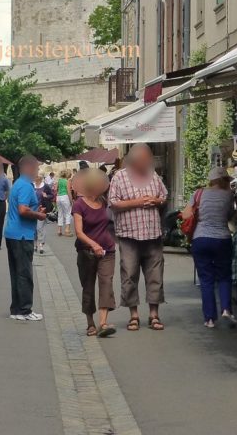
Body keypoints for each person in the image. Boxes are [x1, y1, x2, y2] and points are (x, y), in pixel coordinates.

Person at [109, 144, 168, 332]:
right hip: (129, 234)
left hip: (152, 233)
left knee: (155, 274)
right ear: (133, 161)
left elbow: (164, 196)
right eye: (144, 159)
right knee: (129, 274)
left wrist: (157, 200)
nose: (147, 162)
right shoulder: (119, 177)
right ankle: (133, 315)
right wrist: (138, 202)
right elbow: (113, 203)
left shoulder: (153, 175)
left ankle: (154, 314)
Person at [182, 166, 237, 328]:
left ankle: (210, 319)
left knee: (206, 280)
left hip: (201, 239)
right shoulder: (229, 195)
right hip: (222, 239)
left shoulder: (198, 193)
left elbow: (185, 215)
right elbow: (230, 216)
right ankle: (226, 309)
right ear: (225, 180)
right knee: (224, 276)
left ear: (211, 180)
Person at [72, 167, 117, 337]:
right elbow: (79, 232)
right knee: (88, 286)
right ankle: (90, 323)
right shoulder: (79, 204)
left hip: (107, 250)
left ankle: (103, 323)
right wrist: (93, 245)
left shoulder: (104, 201)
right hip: (86, 252)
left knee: (106, 283)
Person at [5, 155, 48, 320]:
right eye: (36, 168)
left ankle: (16, 310)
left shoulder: (18, 183)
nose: (37, 171)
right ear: (29, 168)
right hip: (22, 234)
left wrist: (35, 211)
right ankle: (25, 310)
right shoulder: (26, 186)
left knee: (16, 273)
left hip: (13, 233)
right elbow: (23, 210)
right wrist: (39, 215)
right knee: (24, 274)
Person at [32, 170, 55, 254]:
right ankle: (35, 245)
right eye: (35, 176)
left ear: (41, 178)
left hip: (43, 209)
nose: (36, 178)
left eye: (37, 176)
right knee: (34, 228)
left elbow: (52, 195)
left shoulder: (45, 186)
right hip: (33, 209)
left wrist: (46, 196)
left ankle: (41, 244)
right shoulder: (31, 185)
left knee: (40, 228)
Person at [55, 169, 74, 236]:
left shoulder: (59, 180)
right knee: (68, 213)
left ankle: (59, 230)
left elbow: (56, 189)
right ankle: (67, 230)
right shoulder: (67, 181)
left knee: (60, 213)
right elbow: (68, 191)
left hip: (58, 197)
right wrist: (71, 200)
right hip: (65, 197)